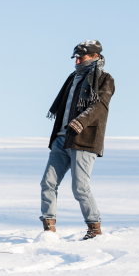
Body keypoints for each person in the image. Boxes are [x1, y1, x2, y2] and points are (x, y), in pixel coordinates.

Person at [40, 40, 115, 240]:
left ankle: (94, 228)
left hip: (83, 139)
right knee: (47, 183)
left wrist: (80, 121)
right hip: (60, 139)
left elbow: (100, 105)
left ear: (95, 57)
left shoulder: (104, 79)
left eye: (82, 57)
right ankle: (48, 230)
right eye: (76, 57)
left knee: (80, 187)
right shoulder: (72, 78)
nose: (78, 61)